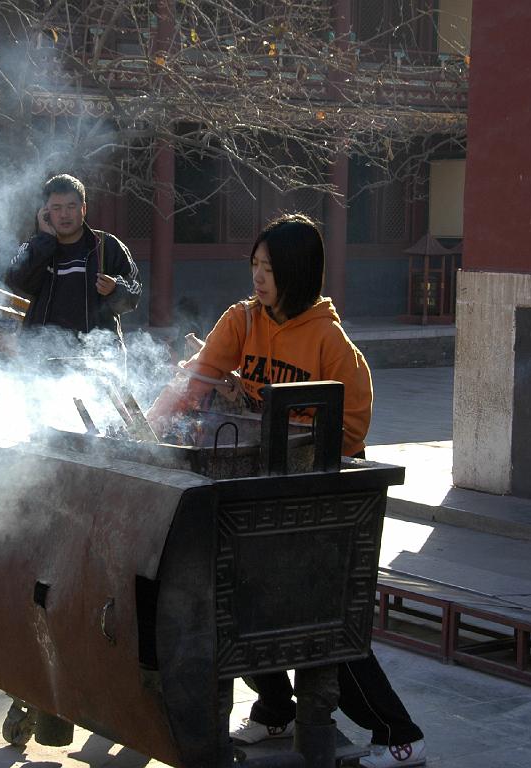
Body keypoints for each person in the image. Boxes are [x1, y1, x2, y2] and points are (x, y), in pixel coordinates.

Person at [147, 213, 426, 768]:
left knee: (319, 623)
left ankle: (399, 733)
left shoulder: (331, 342)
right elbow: (195, 382)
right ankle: (276, 707)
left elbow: (350, 433)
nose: (258, 277)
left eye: (269, 269)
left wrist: (273, 422)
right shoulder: (241, 322)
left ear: (297, 273)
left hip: (320, 501)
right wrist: (146, 432)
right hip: (256, 490)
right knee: (236, 606)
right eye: (254, 265)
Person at [4, 174, 141, 347]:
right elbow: (16, 284)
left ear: (83, 209)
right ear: (45, 212)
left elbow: (134, 292)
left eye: (71, 206)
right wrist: (45, 239)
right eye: (56, 208)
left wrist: (115, 288)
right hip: (42, 356)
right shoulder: (33, 247)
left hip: (98, 357)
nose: (64, 214)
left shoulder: (107, 246)